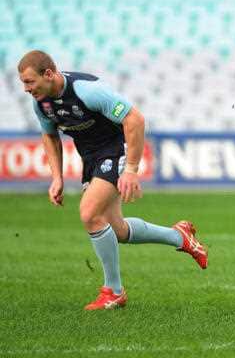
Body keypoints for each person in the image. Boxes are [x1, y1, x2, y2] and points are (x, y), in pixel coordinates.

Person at [18, 50, 208, 310]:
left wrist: (131, 169)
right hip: (91, 157)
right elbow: (50, 135)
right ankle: (180, 237)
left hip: (116, 149)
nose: (26, 89)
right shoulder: (41, 102)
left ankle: (114, 291)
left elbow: (135, 119)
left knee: (89, 213)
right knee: (115, 229)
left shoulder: (87, 90)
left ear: (48, 74)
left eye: (29, 82)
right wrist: (57, 177)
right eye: (23, 83)